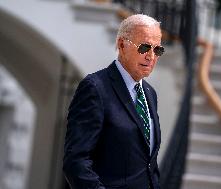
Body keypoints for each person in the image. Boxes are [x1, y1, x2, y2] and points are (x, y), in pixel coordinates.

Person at [63, 14, 165, 189]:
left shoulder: (150, 94)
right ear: (121, 45)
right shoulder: (95, 88)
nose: (151, 56)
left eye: (157, 50)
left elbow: (149, 165)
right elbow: (76, 161)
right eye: (144, 47)